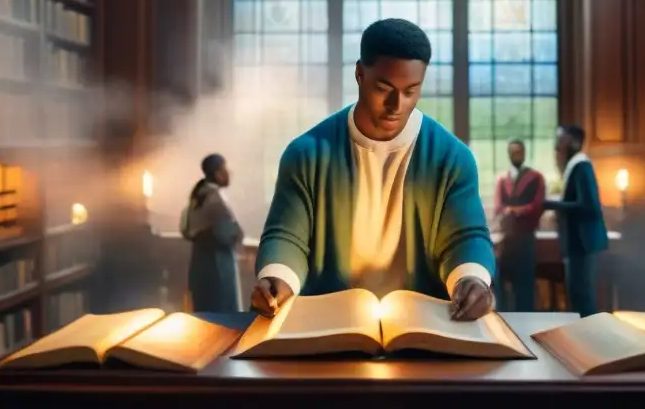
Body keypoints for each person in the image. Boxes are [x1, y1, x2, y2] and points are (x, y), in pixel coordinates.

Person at [251, 18, 495, 321]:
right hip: (327, 323)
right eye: (384, 88)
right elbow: (288, 235)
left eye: (411, 91)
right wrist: (278, 278)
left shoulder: (452, 158)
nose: (397, 104)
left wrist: (470, 279)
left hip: (423, 326)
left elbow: (465, 237)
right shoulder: (305, 154)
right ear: (359, 74)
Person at [544, 125, 608, 317]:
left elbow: (589, 206)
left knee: (582, 298)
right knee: (577, 296)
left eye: (561, 140)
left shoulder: (582, 167)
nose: (557, 145)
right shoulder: (576, 167)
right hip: (577, 244)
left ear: (574, 143)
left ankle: (588, 342)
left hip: (583, 244)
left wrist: (551, 204)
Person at [181, 153, 243, 312]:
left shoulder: (197, 196)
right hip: (218, 266)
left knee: (204, 314)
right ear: (217, 173)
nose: (229, 173)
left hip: (200, 264)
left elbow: (186, 229)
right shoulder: (215, 198)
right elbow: (230, 233)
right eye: (225, 169)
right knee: (223, 317)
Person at [494, 139, 545, 311]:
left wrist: (514, 211)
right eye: (513, 151)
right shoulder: (502, 180)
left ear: (524, 153)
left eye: (519, 151)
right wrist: (506, 212)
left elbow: (537, 205)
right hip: (507, 240)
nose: (516, 155)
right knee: (501, 285)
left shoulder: (536, 178)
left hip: (525, 238)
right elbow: (498, 207)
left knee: (525, 286)